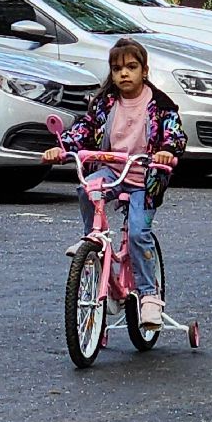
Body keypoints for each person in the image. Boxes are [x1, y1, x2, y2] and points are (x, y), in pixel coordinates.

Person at [43, 38, 187, 329]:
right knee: (87, 187)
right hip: (113, 172)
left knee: (137, 235)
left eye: (131, 67)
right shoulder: (106, 103)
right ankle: (93, 240)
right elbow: (85, 129)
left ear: (144, 70)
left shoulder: (160, 105)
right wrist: (62, 147)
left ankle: (149, 297)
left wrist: (167, 151)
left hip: (144, 181)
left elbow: (175, 133)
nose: (124, 74)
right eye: (117, 69)